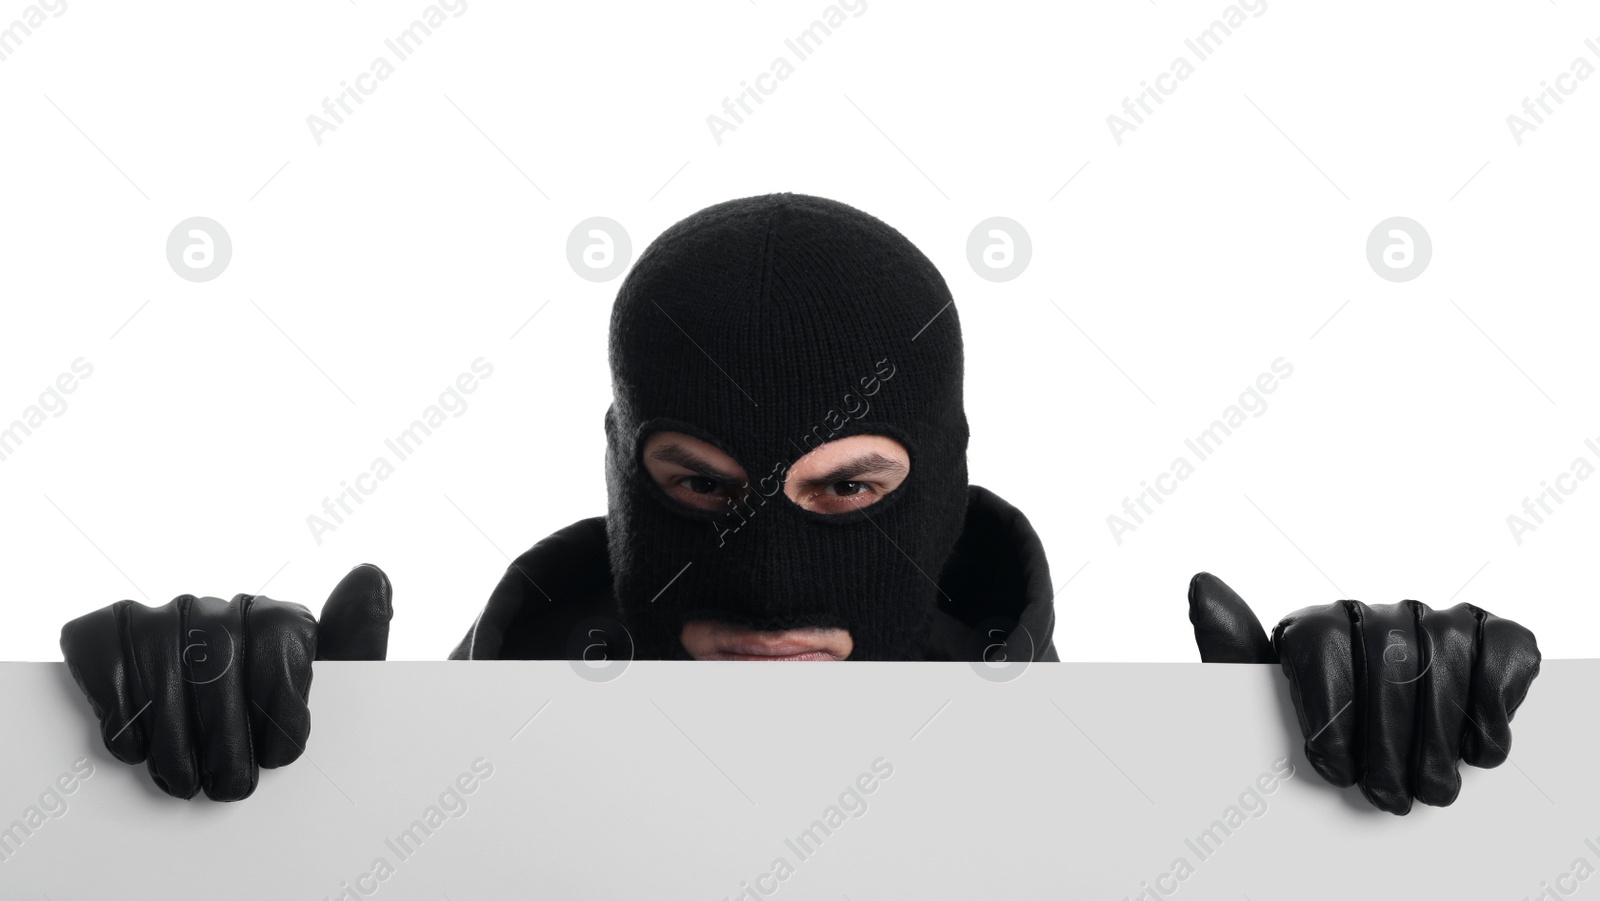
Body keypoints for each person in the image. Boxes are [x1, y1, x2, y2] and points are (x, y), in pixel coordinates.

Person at [57, 193, 1541, 814]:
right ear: (619, 483)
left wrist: (1341, 826)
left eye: (850, 490)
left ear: (942, 482)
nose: (767, 583)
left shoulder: (1119, 823)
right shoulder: (431, 807)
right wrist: (219, 837)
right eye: (698, 489)